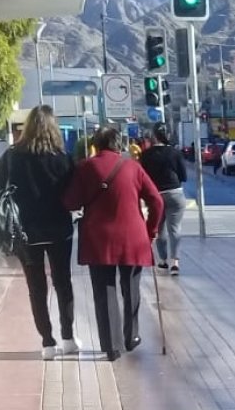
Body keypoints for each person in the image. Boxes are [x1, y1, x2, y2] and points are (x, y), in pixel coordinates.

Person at [64, 126, 163, 361]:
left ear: (96, 144)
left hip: (98, 239)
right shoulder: (133, 166)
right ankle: (132, 336)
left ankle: (112, 346)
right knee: (131, 289)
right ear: (119, 144)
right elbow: (156, 201)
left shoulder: (86, 167)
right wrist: (151, 230)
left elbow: (71, 202)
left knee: (104, 291)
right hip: (133, 238)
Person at [0, 105, 78, 360]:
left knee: (36, 288)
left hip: (24, 231)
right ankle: (68, 338)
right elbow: (74, 194)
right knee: (63, 283)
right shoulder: (63, 156)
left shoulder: (11, 156)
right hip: (60, 229)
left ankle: (48, 343)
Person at [140, 122, 188, 275]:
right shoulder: (175, 153)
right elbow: (184, 176)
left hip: (155, 195)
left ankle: (163, 261)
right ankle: (175, 262)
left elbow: (142, 177)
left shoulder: (146, 155)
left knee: (159, 229)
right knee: (175, 229)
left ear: (154, 136)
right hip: (175, 193)